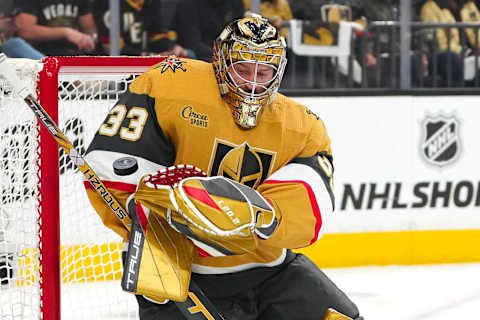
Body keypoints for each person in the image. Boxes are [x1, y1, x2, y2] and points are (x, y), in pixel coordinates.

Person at [84, 15, 362, 320]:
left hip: (268, 269)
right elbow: (114, 160)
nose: (253, 82)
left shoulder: (302, 126)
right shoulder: (169, 83)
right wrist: (157, 207)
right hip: (175, 267)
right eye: (242, 69)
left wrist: (258, 216)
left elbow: (310, 202)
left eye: (264, 71)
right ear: (220, 60)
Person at [91, 0, 189, 57]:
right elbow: (110, 47)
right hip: (110, 66)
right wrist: (148, 56)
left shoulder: (150, 2)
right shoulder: (109, 3)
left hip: (141, 61)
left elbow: (155, 35)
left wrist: (172, 48)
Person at [14, 0, 97, 56]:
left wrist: (88, 40)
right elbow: (25, 31)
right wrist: (66, 33)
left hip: (72, 52)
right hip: (39, 54)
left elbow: (88, 26)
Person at [173, 0, 245, 62]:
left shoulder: (235, 3)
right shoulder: (188, 4)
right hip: (199, 55)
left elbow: (238, 35)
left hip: (226, 53)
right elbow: (191, 42)